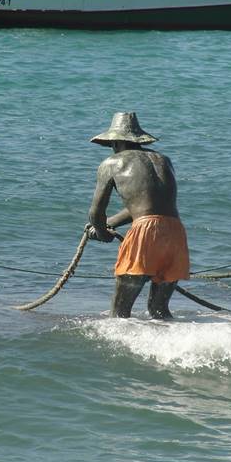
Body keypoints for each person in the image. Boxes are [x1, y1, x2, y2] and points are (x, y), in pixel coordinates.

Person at [87, 112, 189, 319]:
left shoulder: (112, 163)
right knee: (159, 311)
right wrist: (111, 223)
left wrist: (100, 231)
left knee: (119, 314)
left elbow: (96, 212)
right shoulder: (164, 160)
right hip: (174, 231)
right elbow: (149, 206)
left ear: (116, 142)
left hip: (145, 235)